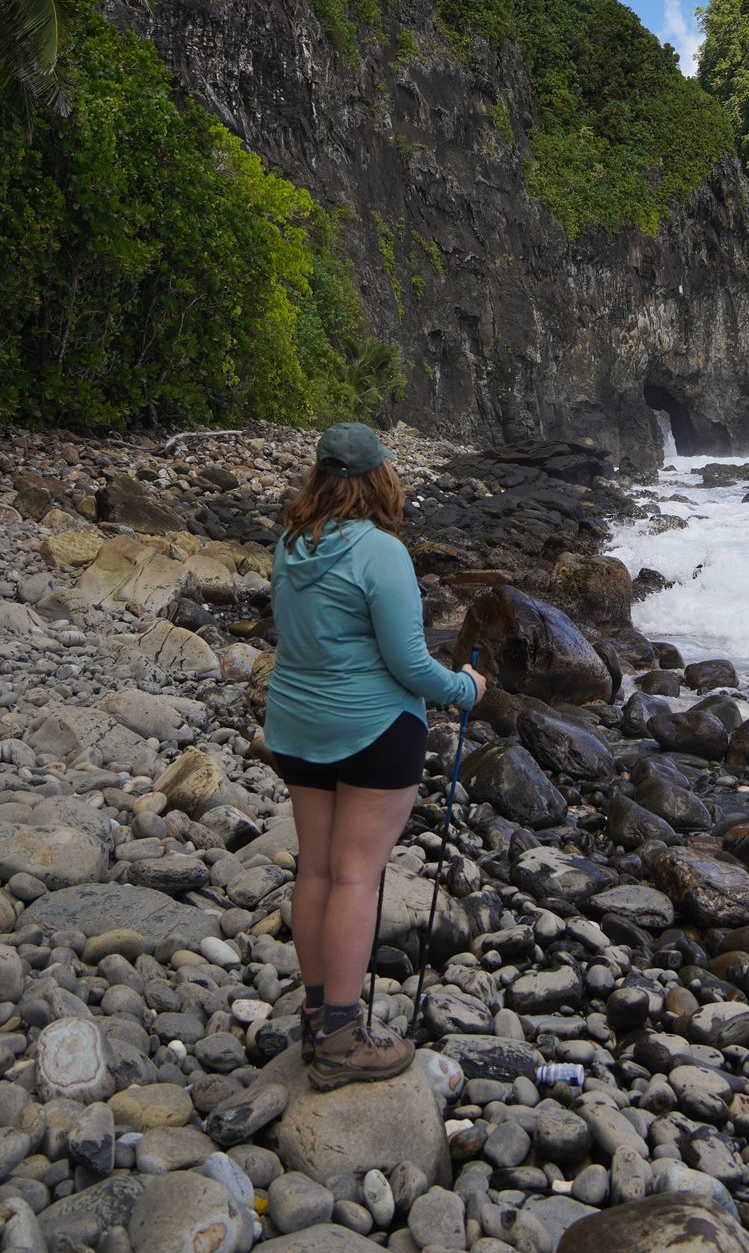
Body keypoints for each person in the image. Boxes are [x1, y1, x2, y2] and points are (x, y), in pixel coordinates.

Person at [265, 422, 485, 1092]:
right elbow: (409, 663)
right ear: (378, 478)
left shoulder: (289, 542)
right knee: (357, 876)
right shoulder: (381, 552)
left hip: (296, 730)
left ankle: (315, 1018)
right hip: (371, 731)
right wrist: (464, 689)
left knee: (318, 872)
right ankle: (340, 1039)